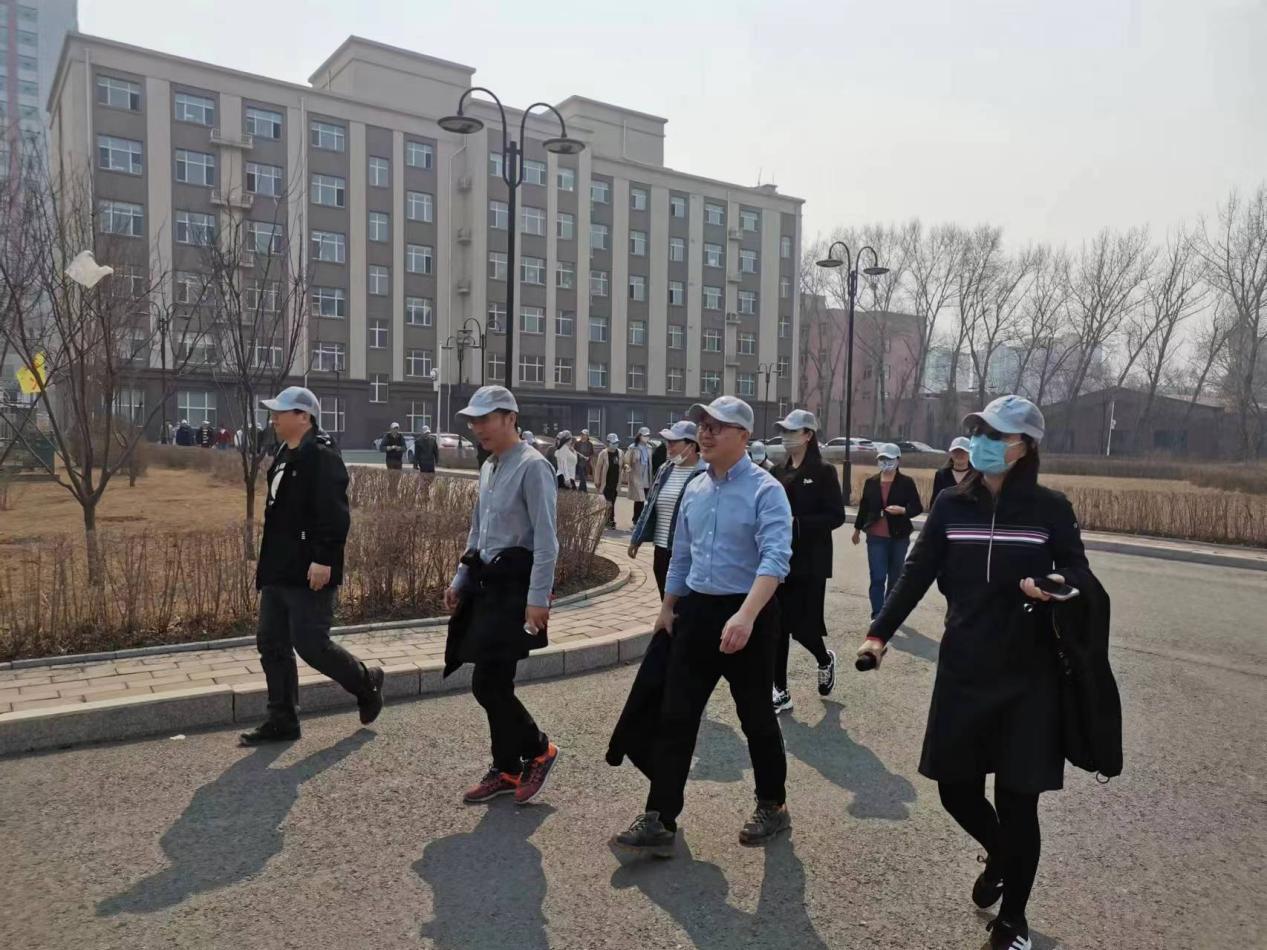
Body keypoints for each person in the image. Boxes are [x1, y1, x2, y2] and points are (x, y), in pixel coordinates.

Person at [855, 395, 1089, 950]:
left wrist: (1057, 585)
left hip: (1029, 675)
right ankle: (1002, 855)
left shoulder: (1051, 508)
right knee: (955, 788)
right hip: (964, 664)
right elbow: (915, 573)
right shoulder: (950, 505)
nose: (982, 442)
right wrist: (878, 634)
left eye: (995, 434)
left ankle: (1013, 922)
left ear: (1024, 446)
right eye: (979, 431)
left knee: (1018, 799)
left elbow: (1078, 570)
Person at [612, 395, 793, 856]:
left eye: (718, 426)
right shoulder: (695, 488)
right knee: (676, 715)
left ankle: (772, 803)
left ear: (744, 436)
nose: (706, 433)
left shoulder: (766, 490)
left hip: (749, 613)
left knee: (755, 716)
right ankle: (660, 817)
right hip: (696, 612)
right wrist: (668, 607)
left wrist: (746, 616)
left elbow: (775, 560)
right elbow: (681, 556)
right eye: (703, 425)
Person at [241, 386, 384, 746]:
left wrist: (324, 559)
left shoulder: (321, 454)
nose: (274, 418)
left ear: (303, 416)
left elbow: (334, 514)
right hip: (279, 567)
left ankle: (365, 682)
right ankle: (282, 719)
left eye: (281, 412)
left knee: (311, 644)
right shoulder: (284, 453)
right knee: (271, 642)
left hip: (309, 567)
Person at [444, 385, 561, 806]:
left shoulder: (533, 467)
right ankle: (508, 767)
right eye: (473, 421)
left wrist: (538, 598)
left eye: (485, 419)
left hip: (516, 588)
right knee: (492, 681)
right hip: (486, 585)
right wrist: (460, 579)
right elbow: (478, 531)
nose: (478, 428)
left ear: (511, 418)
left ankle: (539, 750)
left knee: (488, 683)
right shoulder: (490, 466)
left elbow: (547, 541)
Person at [769, 410, 845, 714]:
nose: (786, 436)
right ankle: (780, 690)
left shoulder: (824, 472)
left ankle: (824, 659)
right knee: (777, 626)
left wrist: (797, 523)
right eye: (783, 431)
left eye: (792, 431)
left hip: (811, 561)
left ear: (808, 435)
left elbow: (836, 516)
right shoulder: (777, 471)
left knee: (803, 627)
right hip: (780, 559)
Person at [627, 421, 707, 597]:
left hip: (687, 554)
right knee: (666, 602)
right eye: (667, 442)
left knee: (684, 605)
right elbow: (649, 505)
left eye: (674, 442)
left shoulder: (705, 474)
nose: (668, 446)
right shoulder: (665, 469)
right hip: (661, 550)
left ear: (692, 445)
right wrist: (637, 538)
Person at [852, 443, 924, 620]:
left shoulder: (906, 482)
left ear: (898, 460)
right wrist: (857, 529)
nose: (885, 463)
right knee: (877, 576)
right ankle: (877, 614)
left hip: (899, 536)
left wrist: (903, 510)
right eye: (882, 459)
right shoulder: (871, 482)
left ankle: (889, 612)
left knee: (895, 577)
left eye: (889, 459)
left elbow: (917, 507)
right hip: (875, 536)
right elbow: (864, 507)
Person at [623, 427, 654, 524]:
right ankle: (636, 520)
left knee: (645, 499)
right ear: (640, 436)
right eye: (645, 435)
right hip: (636, 476)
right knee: (639, 499)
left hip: (647, 476)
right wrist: (627, 466)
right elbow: (626, 460)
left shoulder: (649, 448)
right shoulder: (633, 447)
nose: (647, 437)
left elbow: (650, 462)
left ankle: (641, 519)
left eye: (648, 435)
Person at [932, 435, 973, 507]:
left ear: (970, 453)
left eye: (963, 451)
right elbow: (935, 502)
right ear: (951, 453)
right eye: (956, 451)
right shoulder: (941, 475)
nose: (959, 454)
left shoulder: (976, 475)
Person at [593, 433, 622, 529]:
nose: (615, 445)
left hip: (616, 483)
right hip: (606, 483)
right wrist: (597, 481)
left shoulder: (620, 453)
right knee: (609, 503)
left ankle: (607, 520)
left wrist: (626, 466)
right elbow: (598, 468)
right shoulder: (603, 454)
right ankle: (610, 521)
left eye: (616, 442)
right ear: (608, 443)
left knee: (612, 502)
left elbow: (623, 464)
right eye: (613, 443)